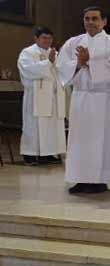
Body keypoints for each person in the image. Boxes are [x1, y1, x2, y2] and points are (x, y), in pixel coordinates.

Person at [57, 7, 110, 194]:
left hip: (103, 99)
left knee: (102, 140)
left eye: (95, 18)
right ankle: (81, 178)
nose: (90, 22)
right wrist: (78, 64)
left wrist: (89, 63)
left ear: (104, 22)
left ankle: (100, 179)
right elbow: (61, 67)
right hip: (81, 98)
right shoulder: (73, 42)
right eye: (87, 18)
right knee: (80, 141)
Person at [17, 26, 66, 166]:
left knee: (52, 126)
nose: (47, 41)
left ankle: (48, 153)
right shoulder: (28, 52)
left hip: (53, 95)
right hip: (36, 95)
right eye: (44, 38)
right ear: (36, 38)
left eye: (50, 38)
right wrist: (48, 62)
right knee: (34, 125)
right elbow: (27, 70)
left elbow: (60, 72)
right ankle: (30, 154)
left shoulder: (54, 53)